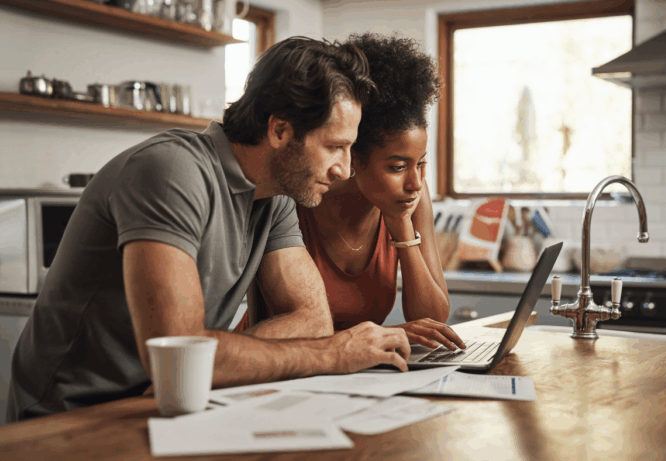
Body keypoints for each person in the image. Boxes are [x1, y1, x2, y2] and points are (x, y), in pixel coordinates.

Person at [7, 37, 412, 423]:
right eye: (334, 147)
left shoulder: (276, 198)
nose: (343, 169)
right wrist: (330, 355)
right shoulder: (171, 172)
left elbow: (312, 320)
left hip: (171, 403)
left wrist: (216, 361)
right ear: (280, 131)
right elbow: (180, 357)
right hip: (73, 417)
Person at [241, 33, 465, 352]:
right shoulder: (299, 193)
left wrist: (400, 224)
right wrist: (388, 333)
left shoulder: (411, 197)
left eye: (422, 164)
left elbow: (434, 320)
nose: (415, 183)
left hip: (353, 368)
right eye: (398, 167)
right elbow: (286, 322)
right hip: (274, 361)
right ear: (354, 156)